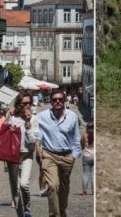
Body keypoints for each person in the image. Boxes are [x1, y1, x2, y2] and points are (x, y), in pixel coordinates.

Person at [35, 88, 81, 217]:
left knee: (64, 189)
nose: (57, 102)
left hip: (67, 156)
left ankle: (62, 212)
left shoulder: (72, 117)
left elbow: (76, 137)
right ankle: (54, 215)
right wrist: (12, 111)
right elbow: (30, 122)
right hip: (49, 155)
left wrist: (74, 156)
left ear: (65, 101)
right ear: (50, 102)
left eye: (60, 100)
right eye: (54, 100)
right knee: (53, 185)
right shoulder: (42, 116)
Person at [4, 91, 38, 217]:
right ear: (19, 104)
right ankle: (20, 215)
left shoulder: (34, 119)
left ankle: (27, 209)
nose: (28, 106)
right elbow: (4, 133)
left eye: (29, 103)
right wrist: (8, 116)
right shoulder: (13, 117)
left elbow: (32, 141)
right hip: (13, 156)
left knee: (24, 184)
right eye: (25, 103)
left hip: (27, 155)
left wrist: (28, 124)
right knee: (15, 191)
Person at [80, 122, 94, 195]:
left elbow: (81, 144)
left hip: (86, 156)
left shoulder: (84, 136)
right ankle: (94, 191)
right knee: (93, 174)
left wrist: (83, 149)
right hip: (94, 156)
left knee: (86, 173)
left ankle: (84, 190)